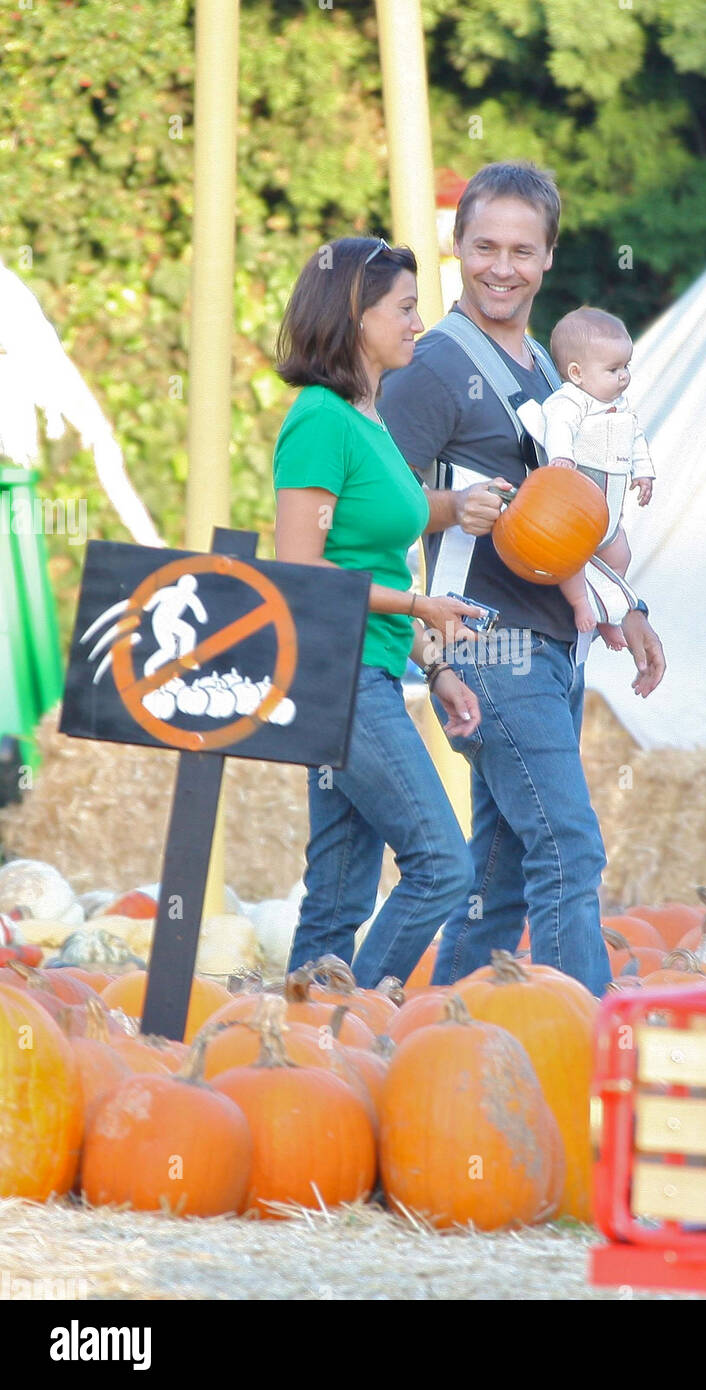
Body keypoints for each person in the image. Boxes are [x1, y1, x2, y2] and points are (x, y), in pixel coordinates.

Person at [378, 162, 666, 995]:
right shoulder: (432, 366)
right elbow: (374, 508)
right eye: (483, 247)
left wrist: (628, 607)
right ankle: (592, 1055)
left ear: (548, 257)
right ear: (456, 247)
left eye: (522, 250)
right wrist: (430, 654)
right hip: (487, 645)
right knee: (568, 848)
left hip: (554, 647)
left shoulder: (552, 368)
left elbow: (571, 519)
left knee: (498, 877)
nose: (501, 266)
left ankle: (443, 1041)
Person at [272, 236, 483, 986]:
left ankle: (298, 1058)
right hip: (337, 676)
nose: (418, 322)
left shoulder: (367, 418)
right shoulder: (321, 418)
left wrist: (434, 659)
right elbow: (300, 570)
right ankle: (352, 1020)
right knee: (443, 865)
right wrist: (420, 601)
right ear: (354, 315)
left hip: (374, 669)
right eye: (403, 308)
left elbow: (376, 545)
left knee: (336, 900)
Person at [536, 306, 655, 653]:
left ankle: (607, 614)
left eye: (626, 367)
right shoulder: (571, 402)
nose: (623, 377)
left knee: (621, 555)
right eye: (613, 369)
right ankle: (580, 604)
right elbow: (559, 427)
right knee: (573, 559)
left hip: (610, 515)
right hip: (581, 511)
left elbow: (636, 438)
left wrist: (644, 471)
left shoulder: (621, 406)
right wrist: (562, 455)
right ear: (577, 373)